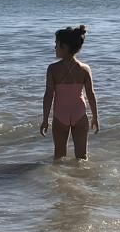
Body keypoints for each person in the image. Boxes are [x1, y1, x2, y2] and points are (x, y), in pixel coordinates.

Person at [40, 25, 99, 159]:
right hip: (80, 114)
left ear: (65, 47)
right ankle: (82, 178)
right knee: (82, 156)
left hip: (60, 115)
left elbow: (49, 95)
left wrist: (45, 119)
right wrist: (95, 117)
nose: (54, 47)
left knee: (59, 156)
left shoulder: (53, 69)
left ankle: (61, 179)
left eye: (56, 44)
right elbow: (91, 94)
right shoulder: (85, 69)